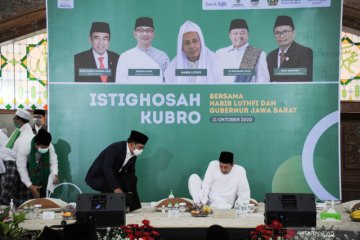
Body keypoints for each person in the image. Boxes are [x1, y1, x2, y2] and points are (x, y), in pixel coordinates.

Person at [85, 130, 149, 212]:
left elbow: (131, 172)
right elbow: (107, 168)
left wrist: (131, 188)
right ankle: (110, 207)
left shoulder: (134, 154)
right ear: (132, 144)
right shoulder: (115, 148)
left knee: (131, 179)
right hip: (98, 176)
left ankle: (130, 206)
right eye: (140, 148)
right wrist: (116, 188)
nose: (141, 150)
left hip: (113, 174)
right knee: (113, 187)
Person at [115, 17, 170, 84]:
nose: (144, 34)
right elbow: (121, 84)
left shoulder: (162, 57)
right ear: (135, 34)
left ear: (153, 34)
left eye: (148, 30)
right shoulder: (125, 57)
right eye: (140, 30)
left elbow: (168, 84)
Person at [216, 19, 269, 83]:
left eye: (242, 33)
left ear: (248, 34)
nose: (239, 36)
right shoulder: (220, 53)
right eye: (235, 33)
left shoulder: (258, 54)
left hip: (249, 92)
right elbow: (216, 77)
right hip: (225, 92)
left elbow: (262, 81)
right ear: (229, 35)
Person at [0, 109, 34, 205]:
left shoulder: (25, 135)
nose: (13, 120)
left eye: (14, 118)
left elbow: (8, 184)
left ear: (19, 120)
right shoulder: (20, 132)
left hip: (18, 197)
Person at [267, 15, 313, 82]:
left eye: (285, 32)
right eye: (277, 33)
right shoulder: (271, 55)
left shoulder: (304, 52)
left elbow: (305, 79)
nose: (281, 36)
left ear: (293, 33)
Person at [16, 128, 59, 200]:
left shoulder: (49, 146)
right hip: (23, 165)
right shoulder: (25, 146)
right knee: (26, 196)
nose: (46, 149)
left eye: (47, 147)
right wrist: (29, 185)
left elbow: (53, 161)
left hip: (40, 167)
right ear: (36, 145)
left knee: (41, 197)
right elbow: (21, 167)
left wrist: (55, 174)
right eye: (43, 147)